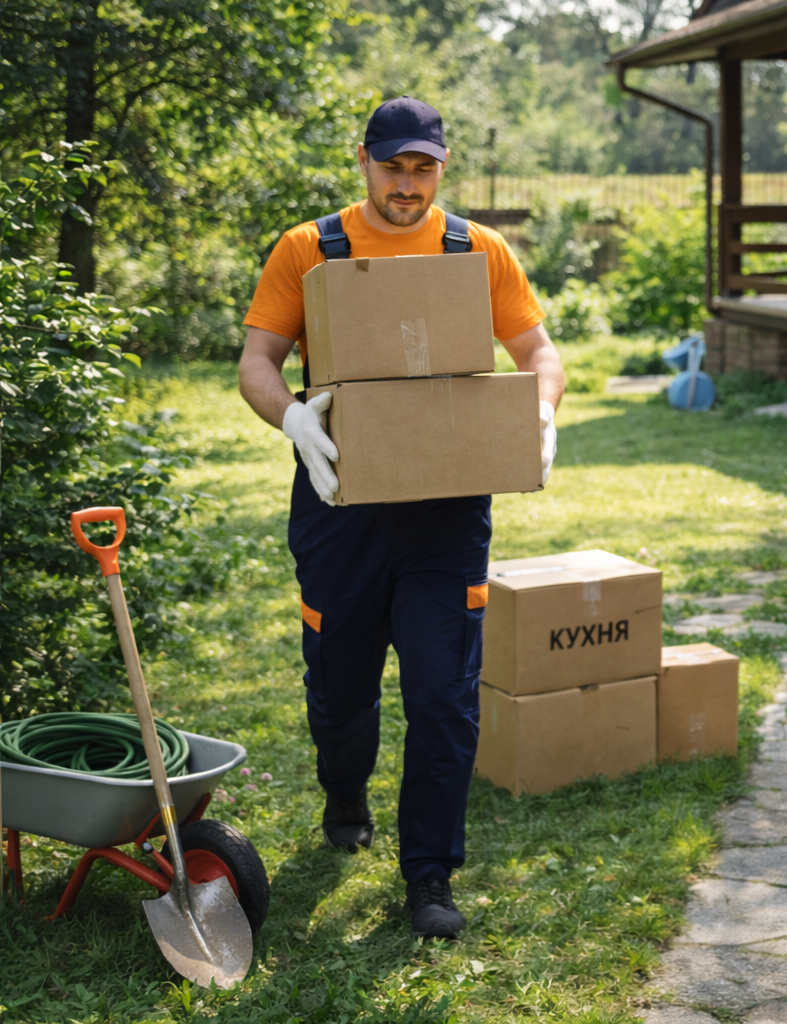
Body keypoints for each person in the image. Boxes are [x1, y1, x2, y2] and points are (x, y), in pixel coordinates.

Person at [238, 96, 565, 940]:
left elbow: (536, 350)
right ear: (364, 161)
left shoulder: (475, 250)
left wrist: (543, 413)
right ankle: (343, 788)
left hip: (446, 513)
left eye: (423, 169)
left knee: (444, 697)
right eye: (394, 167)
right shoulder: (311, 248)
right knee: (340, 690)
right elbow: (258, 360)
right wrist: (293, 419)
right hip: (339, 500)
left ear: (441, 168)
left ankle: (428, 875)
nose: (408, 186)